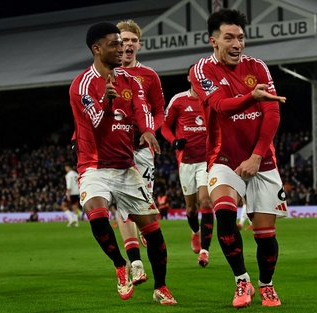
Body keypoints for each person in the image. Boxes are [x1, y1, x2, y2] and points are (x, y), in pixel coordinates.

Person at [69, 22, 176, 304]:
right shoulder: (81, 84)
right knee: (96, 213)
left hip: (125, 166)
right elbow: (93, 123)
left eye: (123, 43)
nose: (122, 49)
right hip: (94, 166)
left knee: (152, 230)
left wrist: (147, 129)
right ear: (97, 49)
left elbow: (141, 109)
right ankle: (120, 264)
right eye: (114, 44)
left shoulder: (131, 80)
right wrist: (105, 101)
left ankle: (161, 287)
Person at [190, 8, 288, 308]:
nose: (237, 44)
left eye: (241, 38)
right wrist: (251, 97)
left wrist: (257, 157)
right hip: (224, 157)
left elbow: (272, 113)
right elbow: (220, 105)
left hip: (262, 160)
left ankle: (266, 285)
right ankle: (242, 281)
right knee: (223, 214)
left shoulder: (257, 67)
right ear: (213, 41)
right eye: (229, 38)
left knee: (265, 235)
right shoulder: (201, 71)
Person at [113, 19, 167, 284]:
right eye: (123, 40)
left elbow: (159, 111)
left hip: (143, 149)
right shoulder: (105, 75)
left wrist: (149, 130)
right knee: (123, 204)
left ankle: (146, 227)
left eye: (133, 40)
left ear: (139, 45)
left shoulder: (149, 76)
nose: (128, 44)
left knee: (142, 201)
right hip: (114, 148)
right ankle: (135, 262)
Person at [161, 65, 214, 267]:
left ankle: (205, 251)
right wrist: (174, 140)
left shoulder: (211, 99)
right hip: (186, 162)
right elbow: (164, 125)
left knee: (206, 202)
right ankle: (195, 232)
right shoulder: (179, 100)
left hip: (207, 160)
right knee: (191, 209)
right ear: (189, 78)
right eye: (196, 77)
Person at [61, 163, 80, 227]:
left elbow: (69, 185)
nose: (65, 169)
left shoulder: (69, 175)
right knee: (75, 207)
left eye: (66, 168)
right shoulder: (76, 174)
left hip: (71, 193)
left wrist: (68, 194)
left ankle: (71, 219)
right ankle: (76, 223)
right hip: (77, 192)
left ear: (68, 167)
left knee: (64, 206)